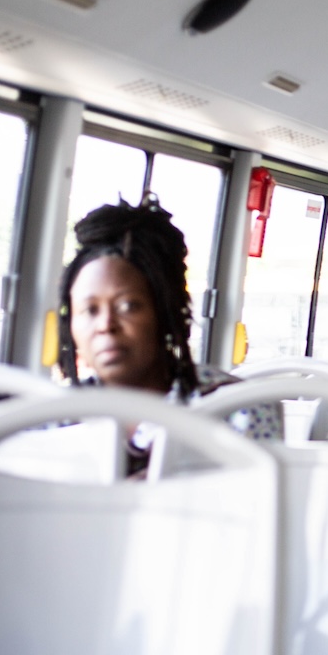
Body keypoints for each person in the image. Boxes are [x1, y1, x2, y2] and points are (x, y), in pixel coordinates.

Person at [58, 195, 280, 472]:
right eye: (89, 311)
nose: (106, 324)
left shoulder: (237, 410)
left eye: (128, 306)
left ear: (165, 311)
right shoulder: (53, 418)